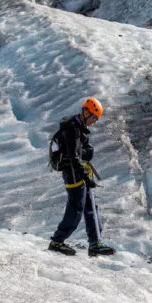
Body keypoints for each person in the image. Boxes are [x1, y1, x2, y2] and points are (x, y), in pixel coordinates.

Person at [48, 97, 116, 257]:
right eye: (93, 117)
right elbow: (74, 157)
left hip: (78, 171)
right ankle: (57, 241)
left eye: (96, 119)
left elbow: (80, 153)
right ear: (86, 112)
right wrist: (86, 178)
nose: (94, 121)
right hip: (73, 174)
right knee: (76, 208)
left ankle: (95, 242)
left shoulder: (78, 127)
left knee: (90, 207)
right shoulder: (72, 129)